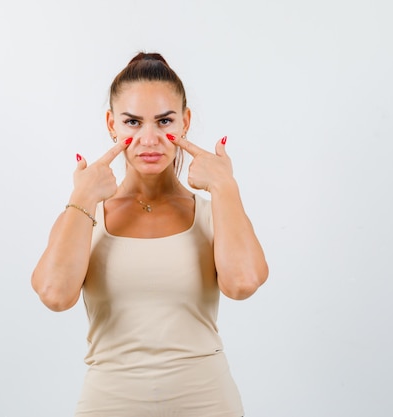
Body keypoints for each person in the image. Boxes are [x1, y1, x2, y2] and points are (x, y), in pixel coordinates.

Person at [31, 52, 269, 416]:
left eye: (164, 121)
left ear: (185, 121)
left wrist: (225, 187)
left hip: (207, 403)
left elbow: (243, 284)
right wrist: (81, 197)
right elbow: (54, 295)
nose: (149, 138)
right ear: (112, 124)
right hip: (108, 404)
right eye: (132, 122)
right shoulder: (85, 214)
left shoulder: (212, 212)